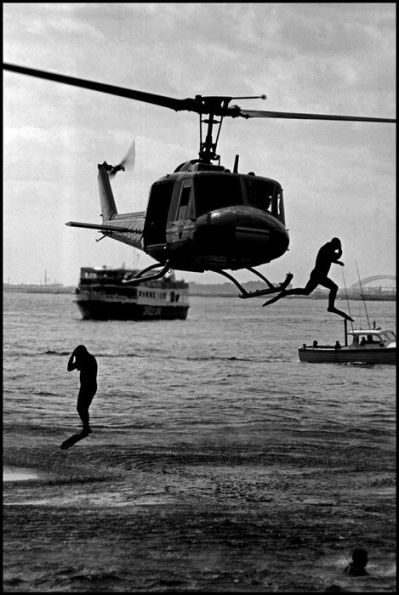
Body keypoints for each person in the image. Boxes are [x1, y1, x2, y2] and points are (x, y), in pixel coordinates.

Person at [262, 237, 354, 322]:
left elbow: (330, 258)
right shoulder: (326, 249)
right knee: (334, 288)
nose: (336, 250)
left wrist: (338, 262)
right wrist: (340, 250)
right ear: (334, 245)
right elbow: (335, 256)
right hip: (319, 275)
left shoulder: (327, 248)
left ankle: (286, 292)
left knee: (306, 291)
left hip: (317, 275)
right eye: (336, 248)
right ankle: (331, 307)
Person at [67, 345, 98, 435]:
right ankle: (86, 427)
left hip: (87, 387)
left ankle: (86, 427)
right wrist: (73, 356)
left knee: (81, 408)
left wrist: (72, 356)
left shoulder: (86, 359)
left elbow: (70, 367)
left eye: (77, 355)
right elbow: (70, 368)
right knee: (83, 408)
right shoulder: (89, 358)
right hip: (88, 387)